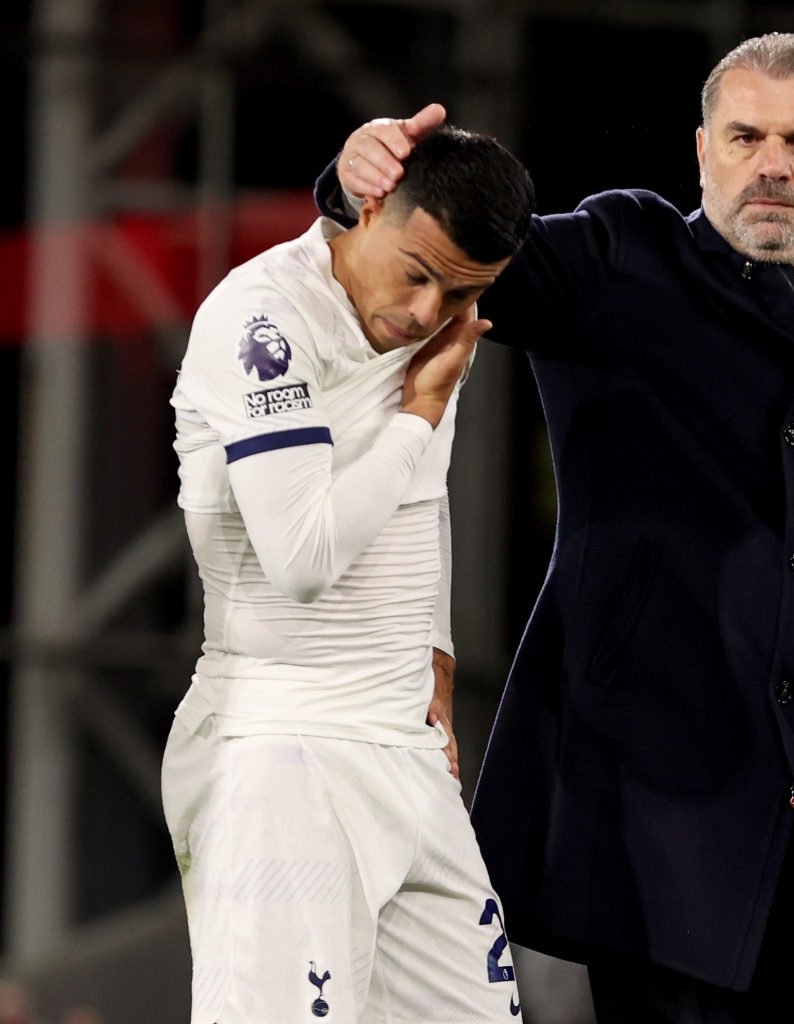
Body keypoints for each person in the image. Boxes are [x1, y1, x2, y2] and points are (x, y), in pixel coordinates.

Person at [321, 32, 794, 1022]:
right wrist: (360, 187)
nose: (773, 162)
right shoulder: (620, 260)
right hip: (660, 831)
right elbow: (459, 257)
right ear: (701, 150)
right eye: (746, 135)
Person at [161, 126, 535, 1024]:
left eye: (461, 292)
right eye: (417, 271)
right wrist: (417, 414)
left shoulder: (434, 325)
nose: (426, 309)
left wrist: (434, 648)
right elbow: (304, 557)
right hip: (283, 753)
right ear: (368, 207)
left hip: (405, 751)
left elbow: (421, 495)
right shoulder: (262, 320)